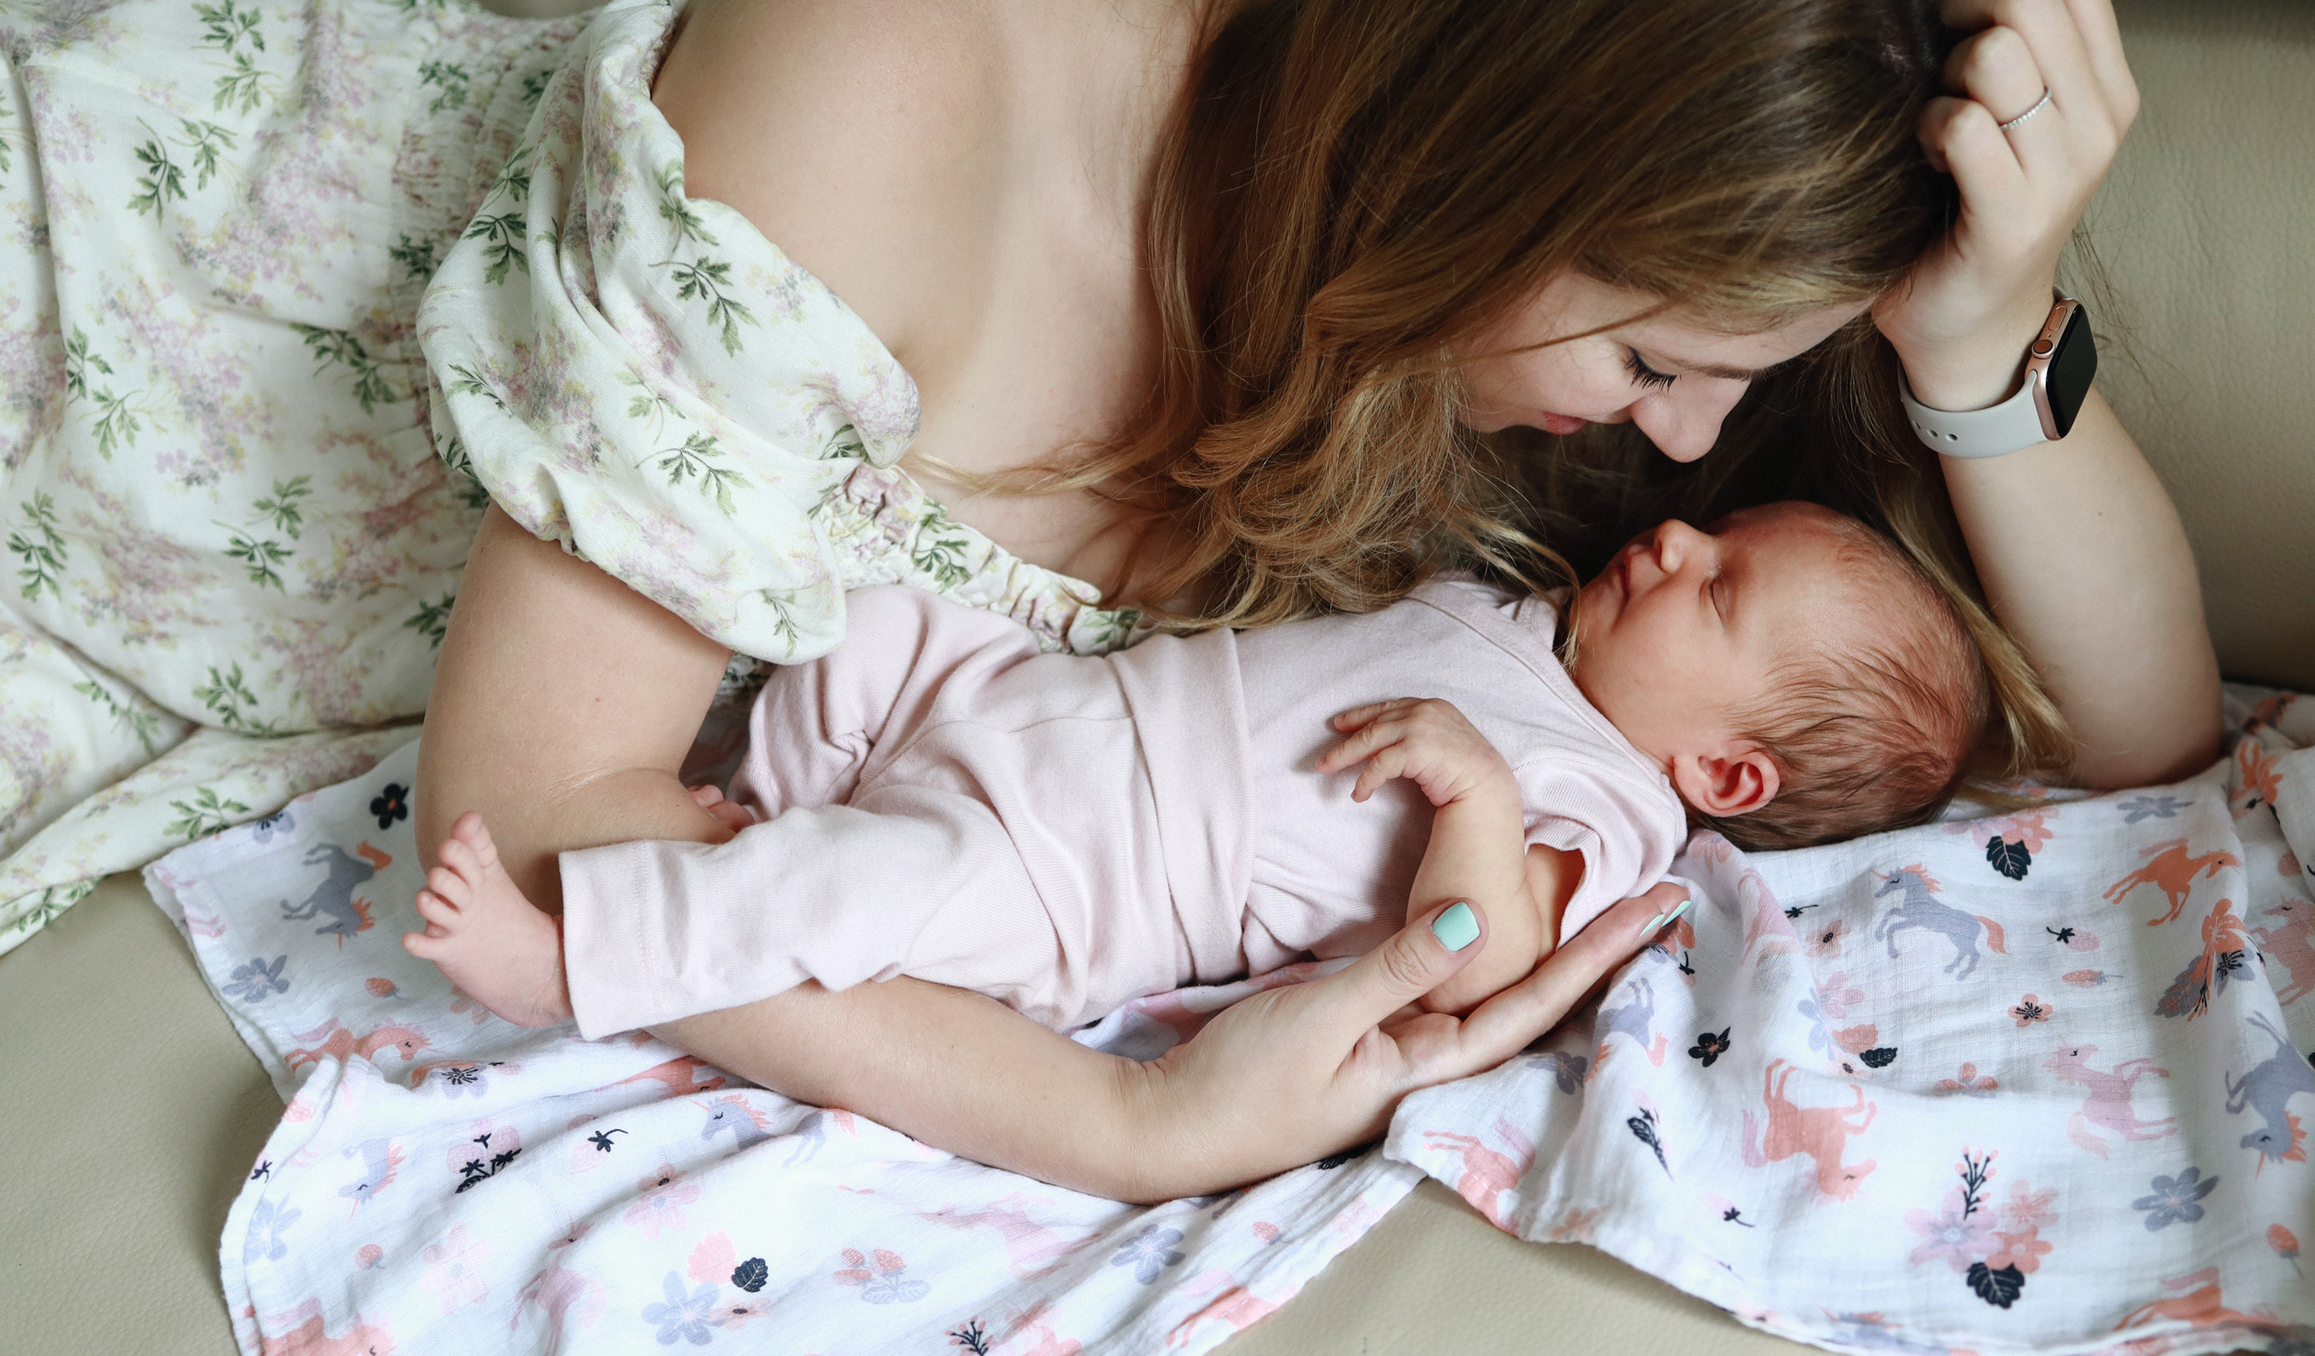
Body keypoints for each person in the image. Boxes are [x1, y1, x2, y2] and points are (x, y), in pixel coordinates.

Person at [0, 0, 2219, 1197]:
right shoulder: (912, 68)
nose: (1686, 444)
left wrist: (1973, 319)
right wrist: (1119, 1120)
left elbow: (2136, 737)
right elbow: (531, 841)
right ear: (1467, 158)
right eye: (1652, 352)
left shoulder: (1588, 458)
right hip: (125, 301)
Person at [401, 500, 1990, 1036]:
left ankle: (583, 961)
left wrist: (1477, 799)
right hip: (1043, 714)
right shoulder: (1517, 617)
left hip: (1087, 875)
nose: (1677, 535)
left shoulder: (1600, 808)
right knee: (889, 601)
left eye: (1717, 589)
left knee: (886, 884)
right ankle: (770, 817)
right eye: (1714, 530)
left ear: (1723, 778)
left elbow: (1472, 959)